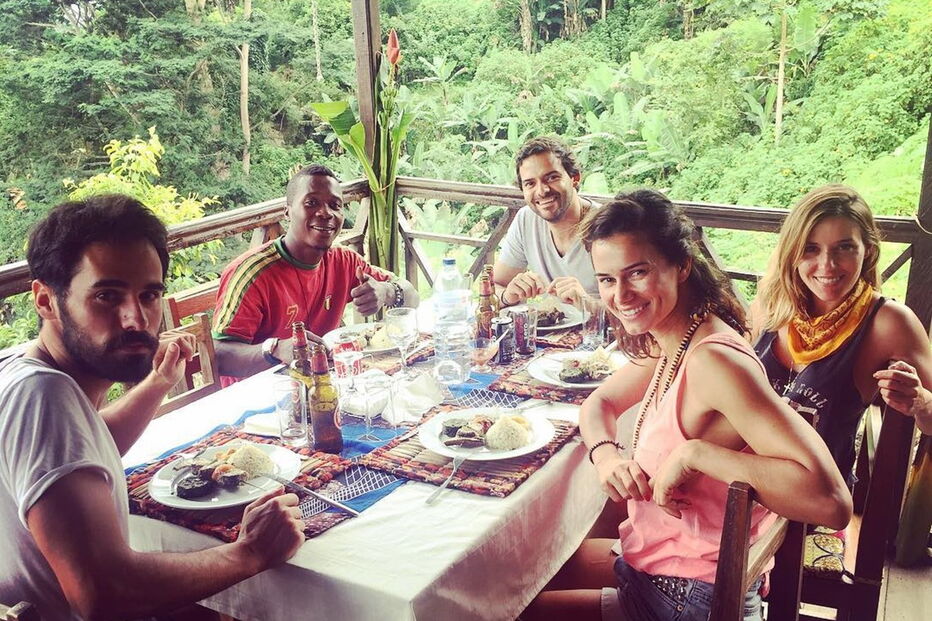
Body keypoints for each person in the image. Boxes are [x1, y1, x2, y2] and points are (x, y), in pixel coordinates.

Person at [525, 190, 851, 621]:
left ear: (682, 266)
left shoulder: (713, 361)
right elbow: (599, 402)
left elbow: (831, 501)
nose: (620, 295)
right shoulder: (672, 337)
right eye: (606, 279)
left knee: (511, 606)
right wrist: (606, 457)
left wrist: (698, 454)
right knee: (525, 574)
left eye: (637, 273)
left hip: (685, 599)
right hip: (658, 568)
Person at [0, 195, 305, 620]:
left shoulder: (25, 375)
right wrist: (251, 553)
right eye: (107, 296)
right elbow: (104, 594)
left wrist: (159, 382)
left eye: (149, 295)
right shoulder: (43, 400)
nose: (136, 319)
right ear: (46, 300)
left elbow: (89, 446)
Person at [752, 184, 932, 485]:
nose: (828, 265)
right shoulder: (771, 304)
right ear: (792, 252)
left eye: (845, 247)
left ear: (868, 251)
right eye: (811, 248)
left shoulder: (888, 322)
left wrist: (920, 402)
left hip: (816, 501)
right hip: (746, 481)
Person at [212, 164, 419, 383]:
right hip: (261, 397)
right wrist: (276, 350)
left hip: (321, 384)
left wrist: (387, 291)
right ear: (288, 211)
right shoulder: (253, 274)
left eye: (334, 205)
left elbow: (412, 296)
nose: (325, 213)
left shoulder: (344, 261)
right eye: (311, 203)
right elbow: (218, 355)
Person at [493, 136, 600, 307]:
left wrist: (588, 304)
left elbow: (639, 307)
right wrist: (508, 295)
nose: (542, 191)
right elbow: (495, 287)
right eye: (530, 183)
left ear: (575, 178)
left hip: (601, 333)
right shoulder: (525, 220)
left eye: (551, 178)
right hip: (546, 332)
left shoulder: (607, 225)